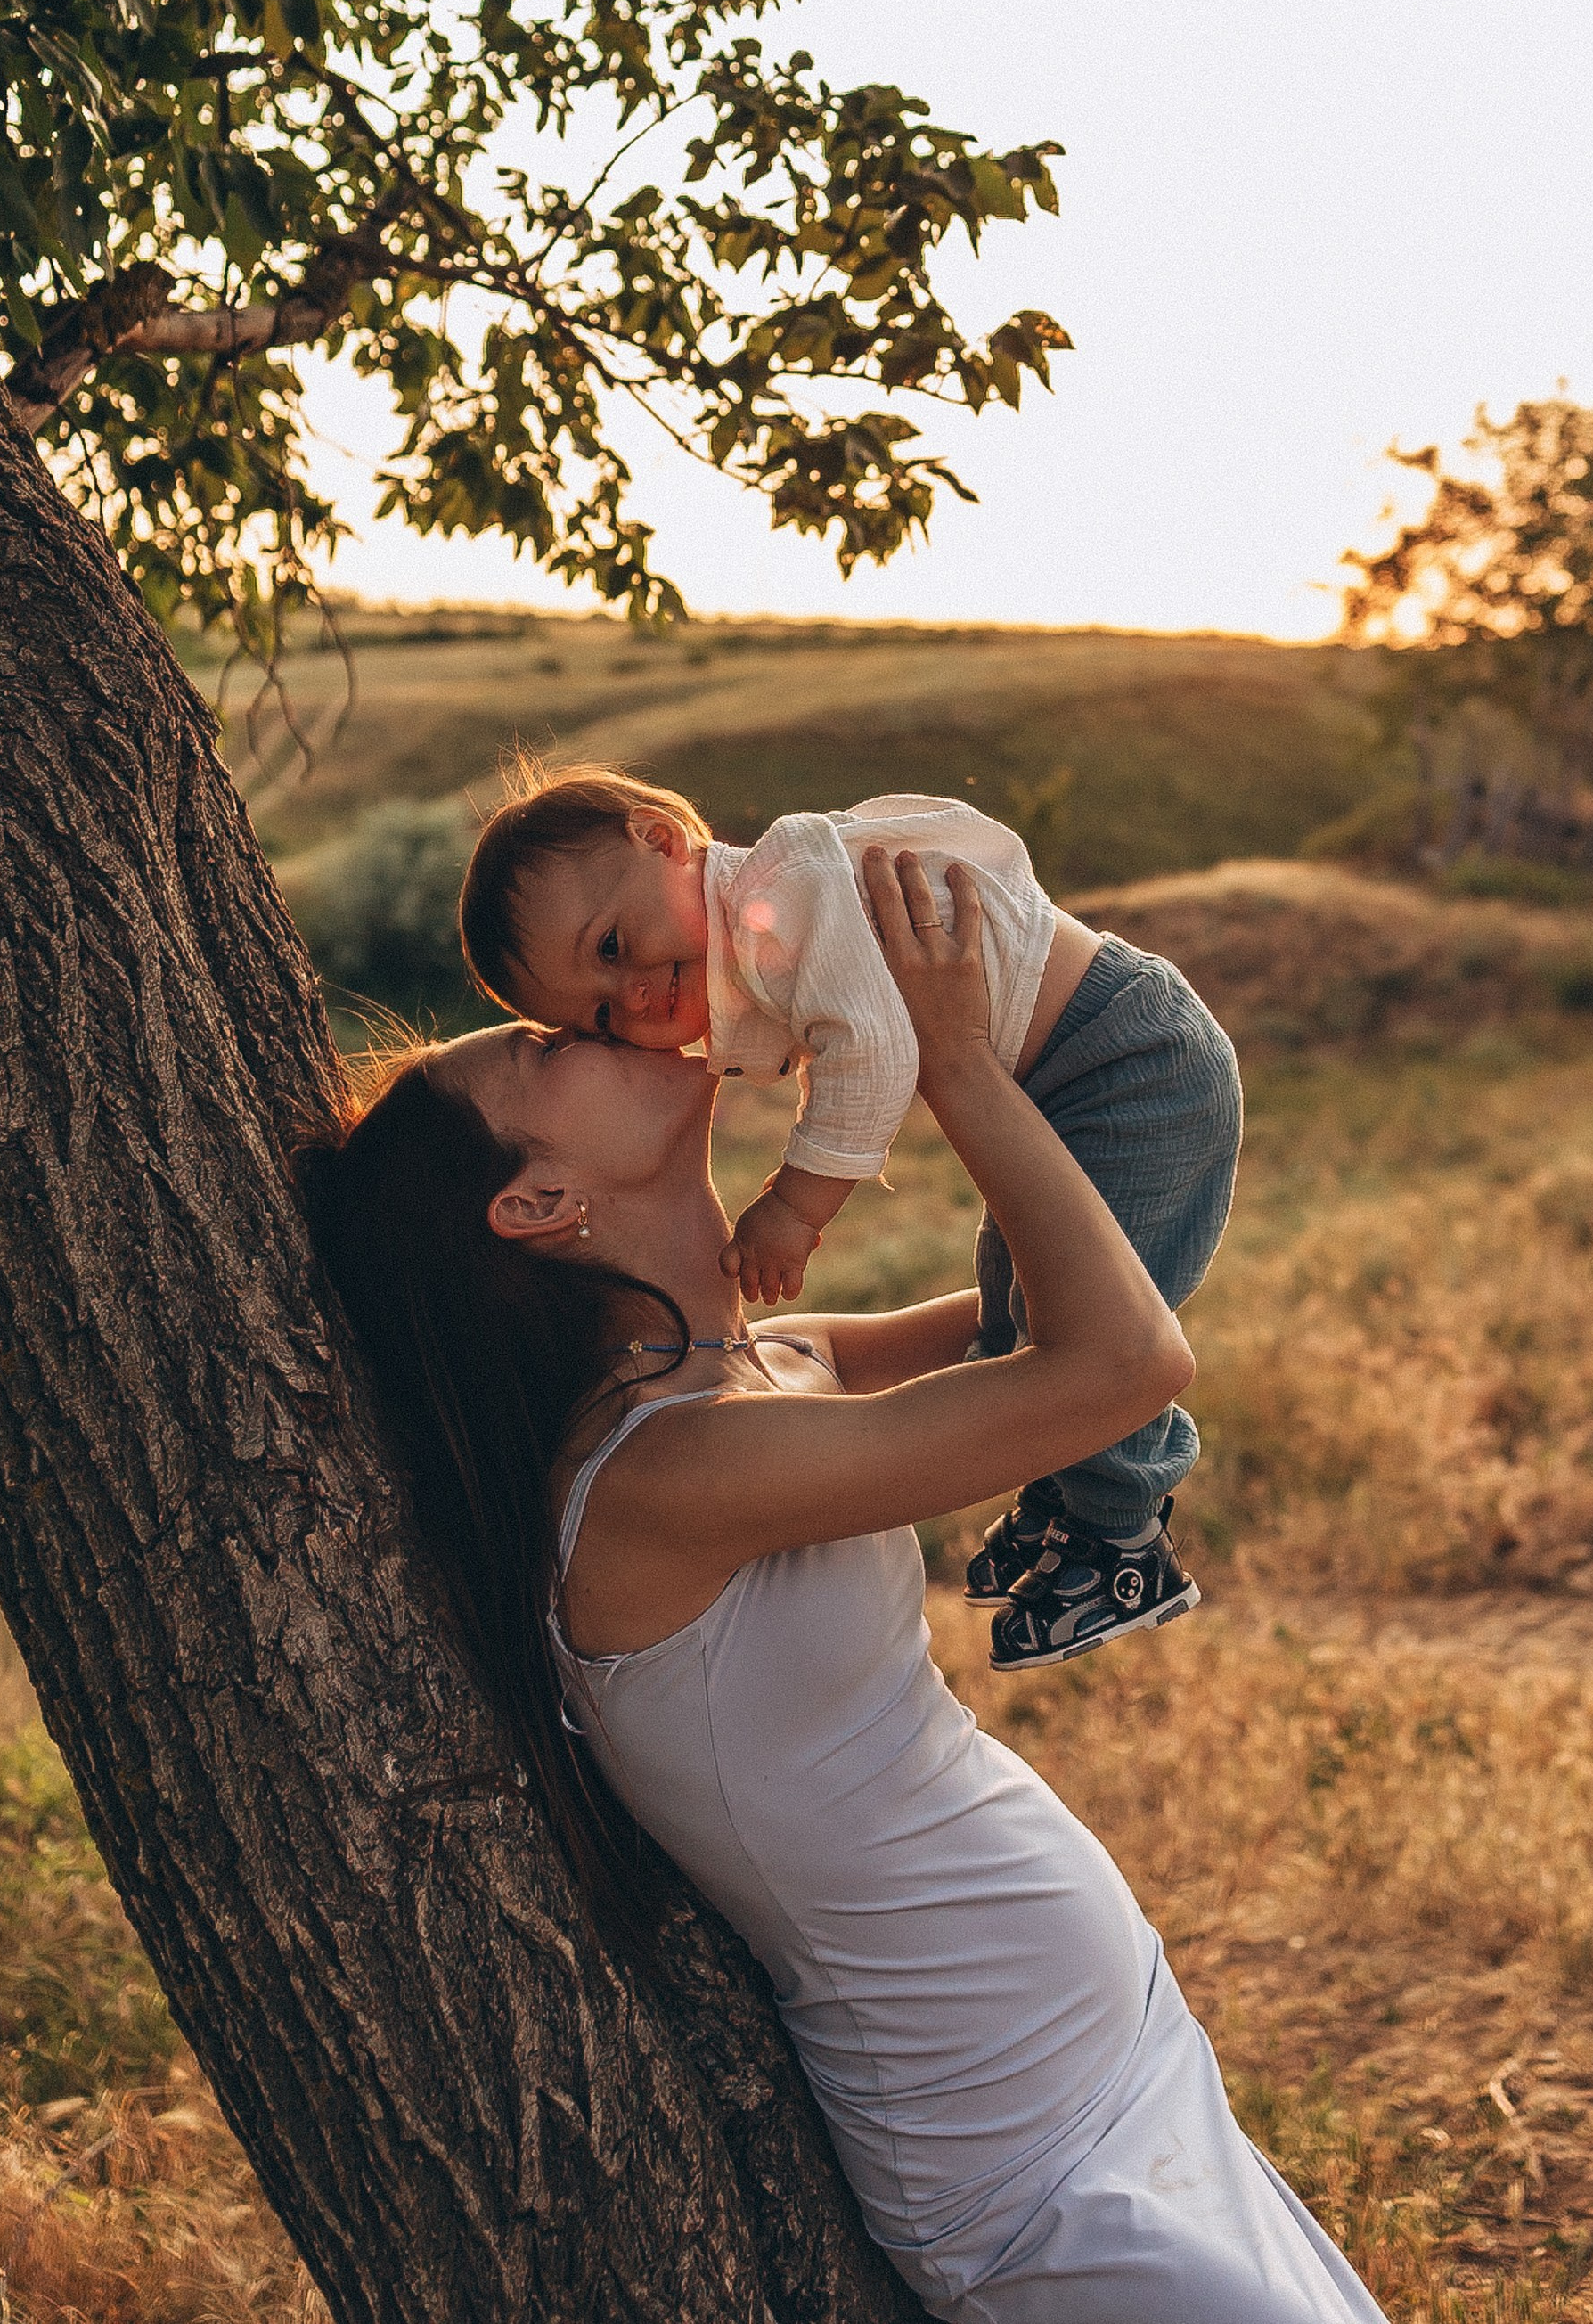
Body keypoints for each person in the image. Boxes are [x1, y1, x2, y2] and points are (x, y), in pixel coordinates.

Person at [301, 849, 1385, 2324]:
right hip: (1020, 2158)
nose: (621, 1020)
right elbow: (1122, 1364)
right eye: (554, 1045)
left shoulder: (767, 1361)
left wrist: (1084, 1036)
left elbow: (1089, 1299)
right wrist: (947, 1064)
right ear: (537, 1196)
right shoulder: (651, 1483)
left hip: (1115, 2050)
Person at [455, 769, 1243, 1672]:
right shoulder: (751, 935)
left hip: (1127, 1059)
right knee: (1019, 1288)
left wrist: (795, 1204)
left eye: (611, 944)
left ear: (664, 838)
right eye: (596, 1012)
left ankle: (1120, 1538)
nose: (630, 994)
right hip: (1082, 1065)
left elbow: (873, 1053)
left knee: (1074, 1309)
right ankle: (1067, 1500)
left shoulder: (781, 898)